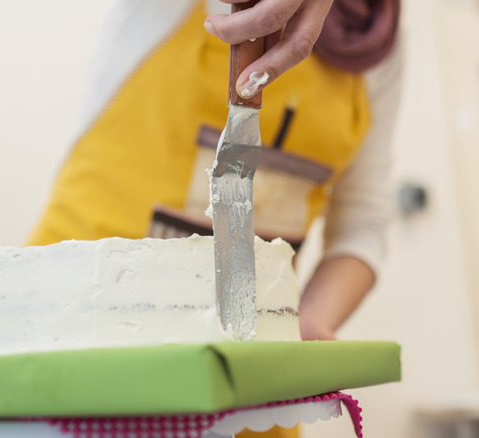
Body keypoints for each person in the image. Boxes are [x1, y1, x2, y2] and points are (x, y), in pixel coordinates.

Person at [28, 1, 401, 436]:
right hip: (82, 331)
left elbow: (362, 220)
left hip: (248, 382)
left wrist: (313, 320)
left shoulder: (379, 30)